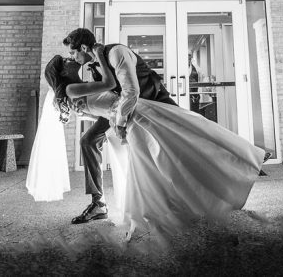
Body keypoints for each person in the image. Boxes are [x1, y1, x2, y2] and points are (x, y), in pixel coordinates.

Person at [40, 51, 267, 243]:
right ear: (62, 72)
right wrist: (100, 57)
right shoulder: (73, 90)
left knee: (187, 134)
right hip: (134, 115)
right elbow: (109, 87)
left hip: (135, 112)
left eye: (71, 54)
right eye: (66, 60)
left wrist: (114, 117)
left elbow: (100, 104)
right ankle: (161, 205)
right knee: (168, 152)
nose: (71, 59)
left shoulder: (78, 87)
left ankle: (235, 161)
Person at [61, 27, 176, 225]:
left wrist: (120, 124)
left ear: (82, 47)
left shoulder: (116, 53)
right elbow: (110, 101)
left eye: (72, 52)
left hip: (153, 103)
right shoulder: (95, 67)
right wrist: (81, 110)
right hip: (122, 109)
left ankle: (167, 198)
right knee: (88, 140)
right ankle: (99, 204)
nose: (72, 58)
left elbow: (131, 91)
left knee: (167, 149)